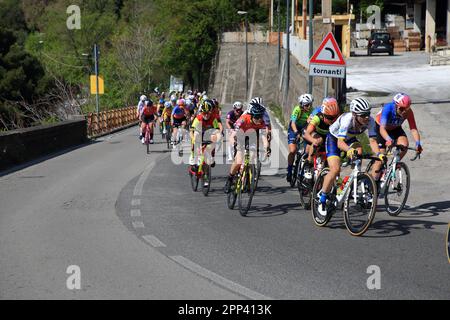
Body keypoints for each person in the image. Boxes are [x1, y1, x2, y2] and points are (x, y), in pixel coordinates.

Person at [317, 97, 382, 216]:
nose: (366, 117)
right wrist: (349, 150)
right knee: (335, 169)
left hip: (350, 139)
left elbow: (373, 141)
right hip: (334, 139)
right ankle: (322, 197)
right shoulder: (347, 119)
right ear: (354, 115)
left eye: (368, 114)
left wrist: (379, 154)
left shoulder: (370, 121)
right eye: (363, 115)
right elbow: (340, 143)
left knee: (359, 151)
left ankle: (353, 177)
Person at [370, 93, 423, 181]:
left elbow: (413, 129)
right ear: (395, 105)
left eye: (406, 109)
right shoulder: (388, 108)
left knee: (404, 145)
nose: (404, 112)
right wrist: (388, 139)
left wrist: (418, 144)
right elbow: (382, 129)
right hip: (381, 129)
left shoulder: (408, 112)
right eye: (401, 109)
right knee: (381, 158)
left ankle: (393, 165)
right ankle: (372, 184)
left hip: (395, 128)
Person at [224, 102, 271, 193]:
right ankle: (229, 180)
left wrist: (267, 149)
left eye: (260, 117)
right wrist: (234, 142)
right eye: (256, 117)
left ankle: (248, 178)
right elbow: (233, 134)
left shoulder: (261, 122)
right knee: (238, 161)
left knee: (252, 157)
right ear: (251, 115)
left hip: (251, 137)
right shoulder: (243, 119)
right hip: (240, 136)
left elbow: (264, 138)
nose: (258, 119)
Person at [302, 98, 341, 183]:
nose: (332, 121)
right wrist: (313, 141)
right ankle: (308, 165)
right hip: (314, 132)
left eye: (334, 118)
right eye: (329, 118)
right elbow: (307, 133)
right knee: (318, 140)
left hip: (328, 135)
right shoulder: (318, 117)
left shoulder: (338, 118)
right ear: (323, 115)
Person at [189, 100, 223, 185]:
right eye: (204, 113)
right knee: (196, 139)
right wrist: (193, 140)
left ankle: (206, 175)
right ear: (202, 112)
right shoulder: (198, 118)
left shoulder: (213, 118)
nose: (206, 115)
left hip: (208, 133)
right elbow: (191, 131)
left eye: (208, 113)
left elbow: (217, 131)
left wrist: (218, 140)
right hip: (199, 133)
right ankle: (193, 159)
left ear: (210, 112)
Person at [286, 94, 314, 183]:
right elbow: (293, 123)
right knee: (292, 150)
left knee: (307, 150)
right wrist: (295, 132)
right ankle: (289, 170)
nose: (309, 107)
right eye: (306, 105)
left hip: (304, 128)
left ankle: (303, 168)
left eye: (310, 104)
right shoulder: (297, 109)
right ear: (301, 104)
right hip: (294, 128)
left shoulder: (312, 111)